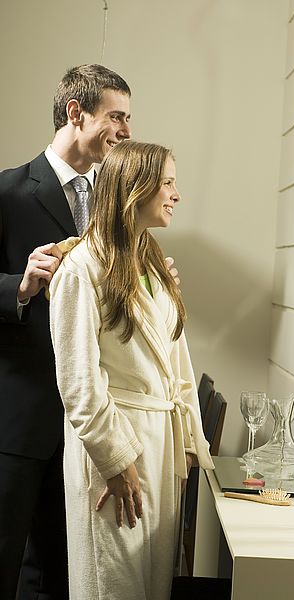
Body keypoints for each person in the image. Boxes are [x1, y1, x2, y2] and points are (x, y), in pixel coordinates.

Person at [48, 140, 214, 600]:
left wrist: (185, 450)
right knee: (113, 586)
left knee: (153, 587)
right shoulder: (80, 270)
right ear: (134, 188)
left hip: (161, 447)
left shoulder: (154, 263)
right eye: (167, 183)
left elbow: (178, 361)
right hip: (114, 446)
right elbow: (78, 384)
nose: (176, 194)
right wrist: (116, 463)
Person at [0, 64, 134, 599]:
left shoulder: (116, 203)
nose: (125, 130)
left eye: (128, 118)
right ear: (75, 113)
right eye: (116, 117)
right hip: (18, 421)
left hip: (89, 426)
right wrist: (20, 285)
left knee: (66, 575)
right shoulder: (7, 191)